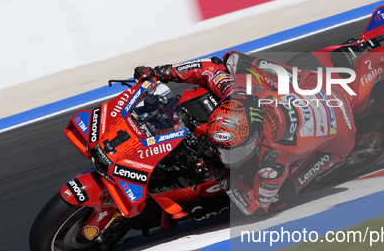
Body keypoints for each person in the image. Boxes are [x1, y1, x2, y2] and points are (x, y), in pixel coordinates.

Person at [133, 52, 357, 215]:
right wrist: (162, 72)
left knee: (280, 197)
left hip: (342, 133)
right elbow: (210, 67)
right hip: (314, 86)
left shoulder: (273, 160)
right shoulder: (237, 94)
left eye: (231, 150)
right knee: (233, 61)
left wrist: (222, 177)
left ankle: (323, 164)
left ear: (254, 140)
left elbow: (255, 206)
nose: (224, 156)